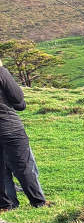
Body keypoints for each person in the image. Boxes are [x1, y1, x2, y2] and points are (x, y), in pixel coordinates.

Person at [0, 58, 46, 210]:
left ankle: (7, 205)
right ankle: (38, 201)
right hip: (9, 127)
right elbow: (18, 99)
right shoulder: (1, 72)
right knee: (24, 166)